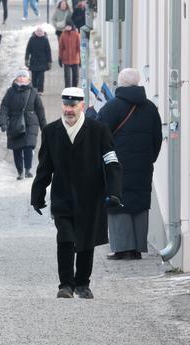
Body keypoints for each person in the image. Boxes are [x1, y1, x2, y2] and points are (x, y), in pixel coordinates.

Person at [30, 87, 122, 300]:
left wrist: (115, 191)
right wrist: (38, 194)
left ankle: (82, 284)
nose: (69, 109)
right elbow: (45, 167)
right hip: (62, 197)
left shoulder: (99, 131)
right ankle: (65, 285)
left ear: (82, 105)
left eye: (73, 105)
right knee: (65, 239)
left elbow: (112, 162)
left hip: (90, 197)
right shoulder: (51, 131)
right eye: (66, 105)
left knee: (85, 241)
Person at [98, 68, 163, 260]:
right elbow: (157, 139)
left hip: (116, 166)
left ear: (120, 83)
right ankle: (136, 248)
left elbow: (99, 136)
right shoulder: (150, 108)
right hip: (143, 166)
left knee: (118, 203)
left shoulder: (111, 108)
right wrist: (148, 159)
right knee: (139, 202)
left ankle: (122, 248)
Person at [0, 70, 46, 179]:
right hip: (15, 124)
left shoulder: (33, 92)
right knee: (17, 149)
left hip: (30, 123)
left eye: (24, 76)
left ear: (28, 79)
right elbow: (4, 107)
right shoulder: (10, 92)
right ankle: (20, 171)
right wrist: (2, 122)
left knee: (28, 146)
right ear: (16, 79)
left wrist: (45, 127)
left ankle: (27, 169)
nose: (21, 78)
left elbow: (40, 110)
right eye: (19, 76)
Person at [25, 25, 52, 93]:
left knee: (41, 78)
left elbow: (48, 51)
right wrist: (26, 59)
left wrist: (49, 62)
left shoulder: (45, 39)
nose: (39, 33)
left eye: (40, 31)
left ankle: (40, 90)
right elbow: (28, 50)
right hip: (33, 61)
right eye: (38, 31)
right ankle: (34, 89)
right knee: (34, 77)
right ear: (36, 32)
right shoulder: (32, 39)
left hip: (42, 62)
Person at [58, 24, 81, 89]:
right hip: (66, 59)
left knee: (75, 75)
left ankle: (74, 88)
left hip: (75, 58)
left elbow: (79, 47)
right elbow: (61, 47)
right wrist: (60, 57)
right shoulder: (63, 35)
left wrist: (80, 58)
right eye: (66, 26)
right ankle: (67, 89)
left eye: (69, 26)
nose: (68, 27)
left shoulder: (76, 34)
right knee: (67, 76)